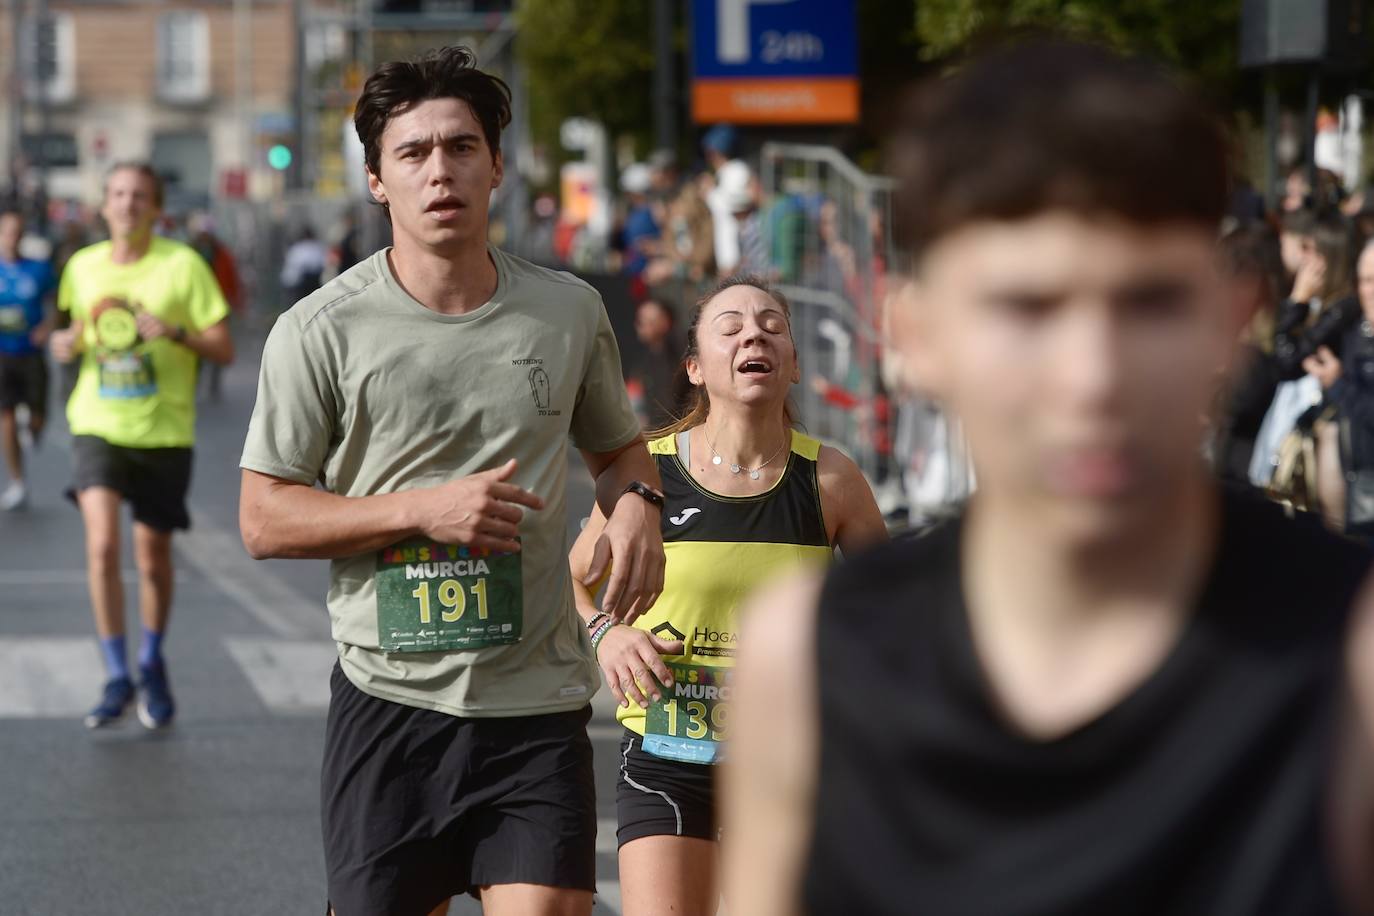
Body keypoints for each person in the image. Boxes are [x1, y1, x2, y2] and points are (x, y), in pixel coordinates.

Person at [721, 40, 1374, 915]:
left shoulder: (1351, 660)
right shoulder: (807, 663)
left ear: (1231, 321)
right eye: (1026, 309)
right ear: (915, 339)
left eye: (1149, 303)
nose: (1091, 375)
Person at [237, 46, 665, 916]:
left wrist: (640, 507)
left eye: (462, 148)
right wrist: (422, 511)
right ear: (376, 180)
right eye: (415, 153)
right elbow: (263, 519)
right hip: (389, 705)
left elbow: (620, 453)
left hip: (535, 709)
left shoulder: (568, 311)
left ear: (497, 166)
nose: (442, 170)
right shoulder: (318, 331)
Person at [570, 276, 887, 916]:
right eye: (732, 326)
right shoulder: (649, 473)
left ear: (793, 364)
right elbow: (573, 579)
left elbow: (895, 611)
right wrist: (609, 635)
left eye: (773, 325)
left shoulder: (830, 480)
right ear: (695, 367)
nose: (754, 334)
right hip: (667, 750)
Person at [48, 162, 234, 730]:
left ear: (156, 209)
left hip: (163, 430)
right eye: (118, 195)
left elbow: (223, 347)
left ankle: (150, 661)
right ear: (103, 205)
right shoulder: (81, 267)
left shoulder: (183, 266)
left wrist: (176, 333)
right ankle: (114, 674)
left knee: (151, 557)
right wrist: (63, 344)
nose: (128, 205)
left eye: (140, 197)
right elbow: (68, 335)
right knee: (103, 545)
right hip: (97, 423)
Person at [0, 206, 55, 509]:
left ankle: (32, 427)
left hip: (32, 354)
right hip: (2, 355)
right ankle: (17, 481)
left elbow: (60, 303)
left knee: (37, 416)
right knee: (5, 415)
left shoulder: (39, 269)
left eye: (16, 233)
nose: (11, 238)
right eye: (6, 232)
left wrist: (47, 327)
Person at [625, 297, 690, 429]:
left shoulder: (680, 350)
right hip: (657, 430)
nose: (640, 325)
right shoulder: (645, 358)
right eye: (640, 320)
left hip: (681, 428)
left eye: (648, 321)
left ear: (665, 321)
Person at [278, 225, 326, 306]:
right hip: (313, 283)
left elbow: (291, 270)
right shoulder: (319, 246)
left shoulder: (297, 249)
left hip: (299, 285)